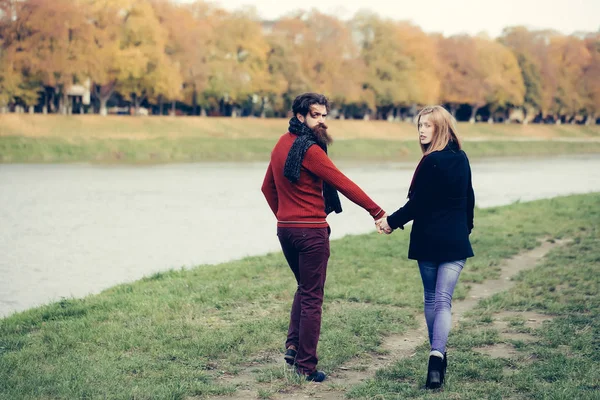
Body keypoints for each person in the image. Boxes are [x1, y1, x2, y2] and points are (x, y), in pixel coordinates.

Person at [261, 93, 387, 382]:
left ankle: (293, 347)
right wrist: (377, 211)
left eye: (324, 116)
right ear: (300, 116)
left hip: (286, 230)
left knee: (304, 288)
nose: (322, 122)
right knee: (313, 297)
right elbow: (341, 182)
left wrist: (285, 217)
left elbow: (267, 188)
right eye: (316, 115)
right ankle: (306, 365)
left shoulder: (281, 144)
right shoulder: (310, 150)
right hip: (311, 233)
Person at [376, 105, 475, 389]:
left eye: (428, 125)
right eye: (420, 125)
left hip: (430, 239)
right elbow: (469, 197)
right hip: (454, 240)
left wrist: (390, 222)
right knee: (442, 300)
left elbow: (418, 203)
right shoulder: (462, 158)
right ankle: (437, 356)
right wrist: (465, 228)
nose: (421, 130)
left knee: (433, 299)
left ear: (441, 128)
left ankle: (436, 358)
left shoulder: (431, 162)